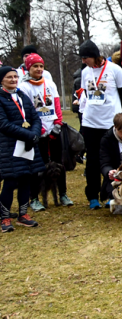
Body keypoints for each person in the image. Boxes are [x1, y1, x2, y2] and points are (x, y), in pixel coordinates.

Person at [18, 53, 73, 211]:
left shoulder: (50, 84)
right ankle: (34, 197)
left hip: (54, 130)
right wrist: (39, 129)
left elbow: (56, 105)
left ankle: (62, 193)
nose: (39, 69)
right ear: (29, 68)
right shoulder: (24, 87)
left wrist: (57, 124)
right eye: (35, 66)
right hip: (37, 131)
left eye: (41, 66)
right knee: (37, 166)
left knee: (59, 164)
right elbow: (27, 111)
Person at [79, 39, 122, 210]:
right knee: (92, 161)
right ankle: (92, 196)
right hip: (90, 123)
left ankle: (109, 194)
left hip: (109, 123)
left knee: (112, 160)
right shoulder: (85, 72)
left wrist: (114, 113)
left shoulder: (115, 70)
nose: (83, 61)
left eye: (85, 57)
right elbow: (87, 94)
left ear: (94, 55)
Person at [0, 66, 44, 231]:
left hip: (27, 145)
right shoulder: (0, 98)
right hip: (9, 146)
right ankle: (4, 217)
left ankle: (23, 214)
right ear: (2, 80)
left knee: (26, 177)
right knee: (11, 181)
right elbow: (3, 124)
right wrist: (28, 135)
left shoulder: (22, 96)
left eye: (15, 77)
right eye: (9, 77)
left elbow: (34, 117)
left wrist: (34, 134)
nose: (13, 80)